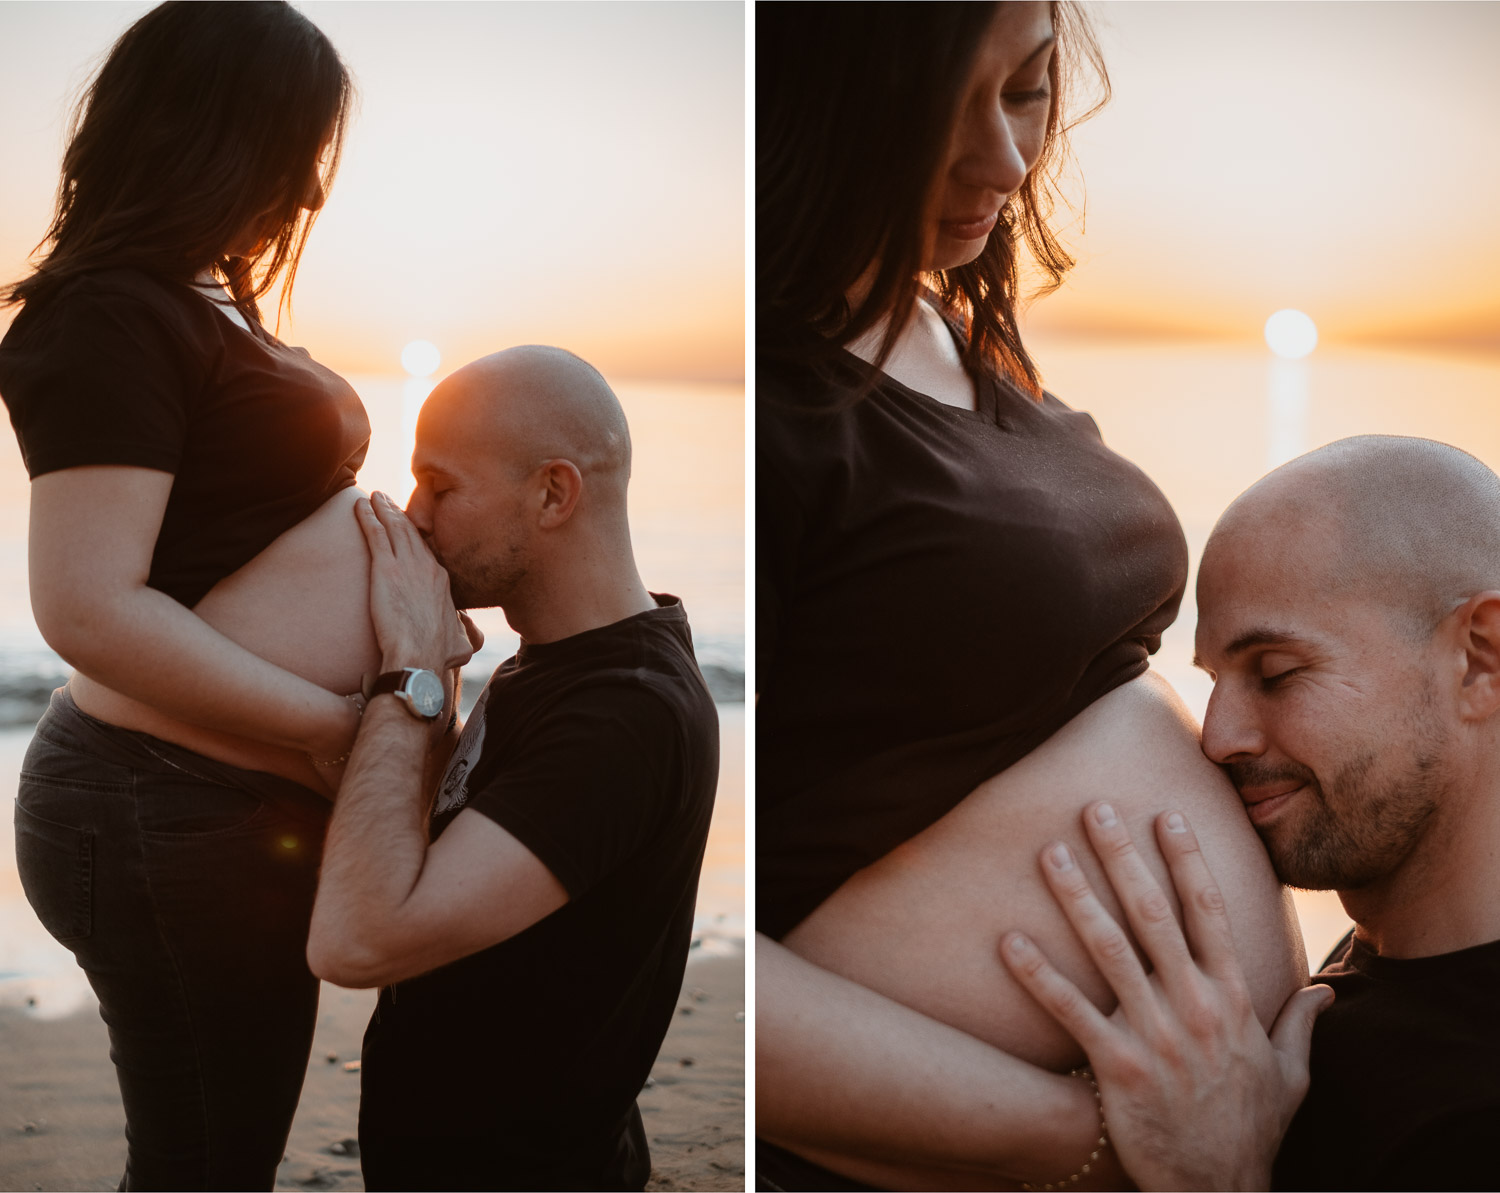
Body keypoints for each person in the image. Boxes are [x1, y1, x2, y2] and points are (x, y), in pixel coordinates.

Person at [756, 4, 1305, 1188]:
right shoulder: (778, 406)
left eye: (1025, 90)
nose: (1005, 162)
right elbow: (700, 966)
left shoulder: (948, 326)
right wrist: (1101, 1138)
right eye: (934, 114)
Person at [0, 4, 395, 1187]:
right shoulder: (107, 314)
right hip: (161, 808)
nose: (310, 192)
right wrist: (333, 725)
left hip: (213, 807)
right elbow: (88, 608)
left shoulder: (194, 300)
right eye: (293, 150)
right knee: (208, 1169)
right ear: (205, 132)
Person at [1002, 435, 1500, 1190]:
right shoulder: (1386, 970)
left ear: (1480, 657)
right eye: (1214, 680)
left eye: (1276, 672)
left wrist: (1219, 1174)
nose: (1218, 738)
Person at [304, 346, 720, 1192]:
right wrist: (429, 684)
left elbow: (355, 940)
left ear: (554, 493)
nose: (414, 514)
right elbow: (427, 842)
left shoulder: (624, 716)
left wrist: (410, 671)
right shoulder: (551, 664)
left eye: (441, 486)